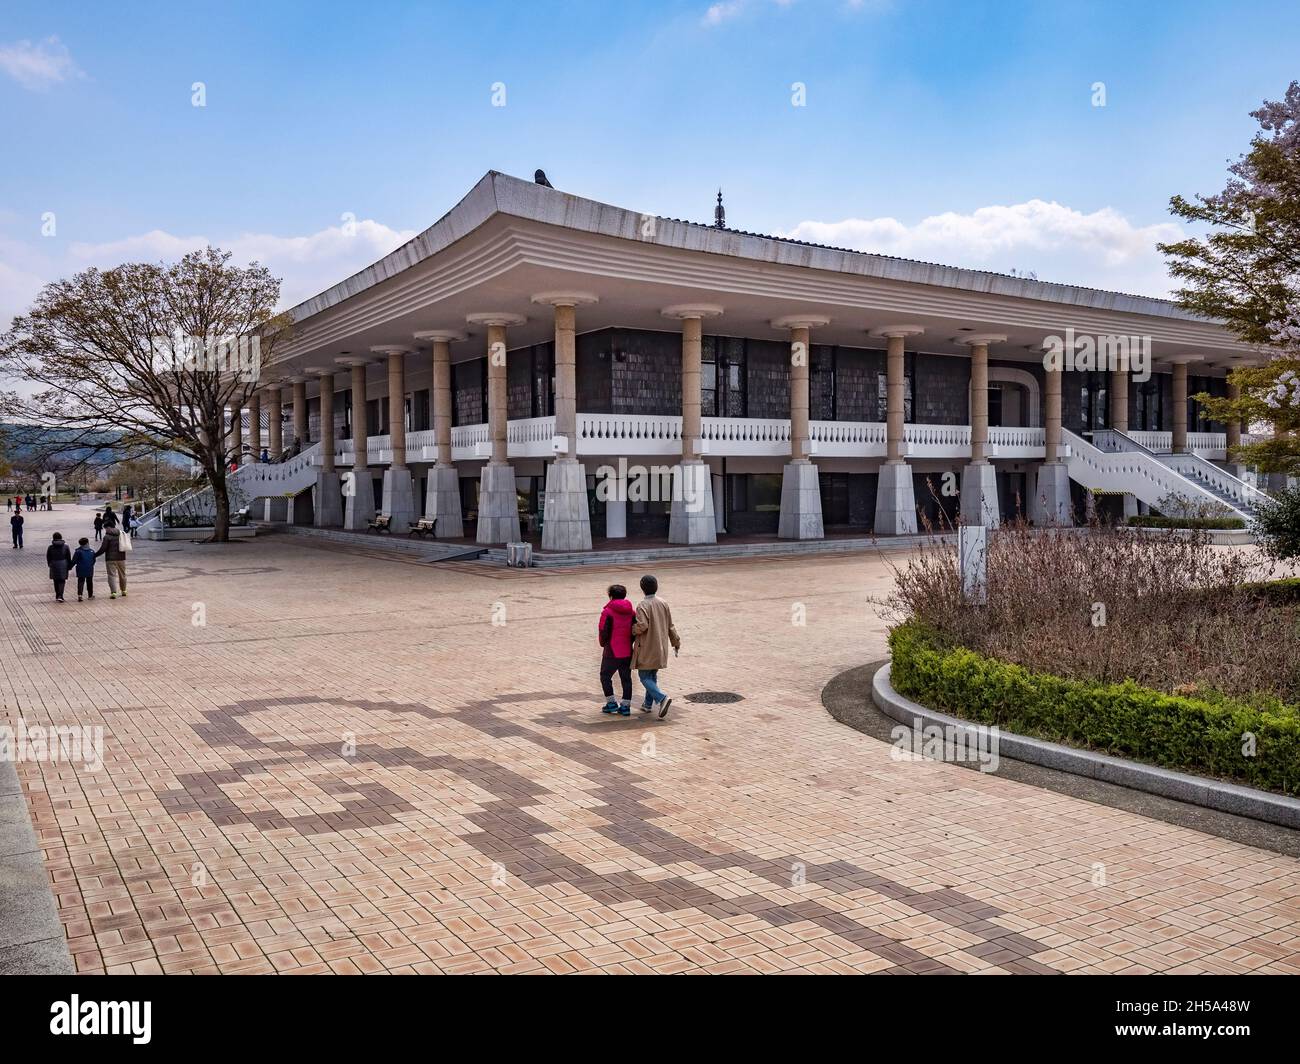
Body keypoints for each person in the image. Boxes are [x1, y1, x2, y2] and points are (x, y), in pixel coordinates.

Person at [630, 574, 680, 719]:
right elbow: (670, 626)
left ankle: (662, 698)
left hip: (647, 647)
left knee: (644, 676)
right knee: (652, 675)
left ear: (642, 588)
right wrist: (676, 642)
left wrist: (632, 629)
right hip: (660, 647)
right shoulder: (663, 603)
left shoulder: (642, 605)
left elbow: (642, 626)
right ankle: (647, 704)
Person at [597, 584, 636, 716]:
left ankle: (611, 703)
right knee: (626, 678)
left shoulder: (607, 612)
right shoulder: (631, 612)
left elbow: (603, 630)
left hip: (612, 650)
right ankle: (625, 706)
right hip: (627, 650)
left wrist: (603, 644)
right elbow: (635, 630)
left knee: (605, 676)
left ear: (611, 595)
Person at [95, 526, 128, 599]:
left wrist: (95, 555)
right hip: (121, 558)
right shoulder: (121, 534)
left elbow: (103, 549)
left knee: (111, 575)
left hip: (110, 558)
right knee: (122, 574)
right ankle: (124, 591)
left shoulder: (107, 537)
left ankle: (113, 592)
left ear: (107, 528)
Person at [46, 533, 72, 603]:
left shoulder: (50, 547)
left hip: (54, 564)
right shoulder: (66, 546)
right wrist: (69, 565)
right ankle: (61, 595)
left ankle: (57, 595)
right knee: (62, 580)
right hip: (63, 564)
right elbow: (68, 556)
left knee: (55, 580)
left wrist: (49, 564)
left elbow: (48, 557)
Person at [71, 537, 96, 601]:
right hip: (89, 568)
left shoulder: (78, 551)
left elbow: (74, 561)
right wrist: (90, 565)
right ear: (87, 543)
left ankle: (80, 595)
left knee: (81, 581)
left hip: (80, 568)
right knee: (89, 582)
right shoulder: (92, 551)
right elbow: (94, 560)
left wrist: (69, 567)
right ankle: (90, 595)